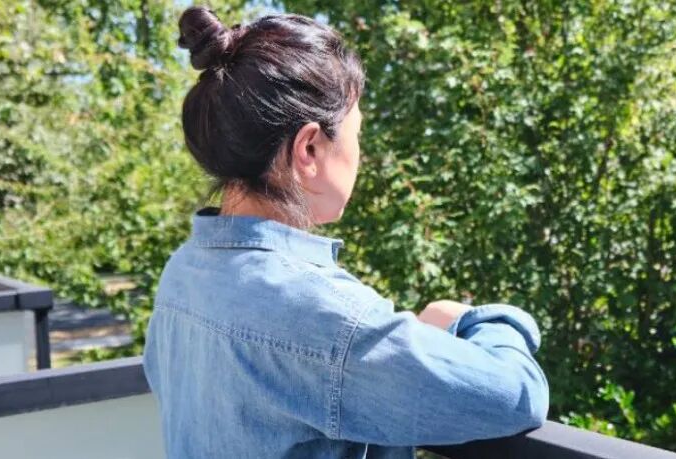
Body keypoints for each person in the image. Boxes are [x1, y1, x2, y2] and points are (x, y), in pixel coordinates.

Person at [142, 7, 549, 458]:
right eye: (357, 133)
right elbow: (518, 393)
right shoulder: (321, 319)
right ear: (310, 148)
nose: (360, 155)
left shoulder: (184, 273)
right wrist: (473, 321)